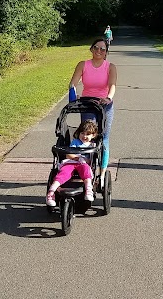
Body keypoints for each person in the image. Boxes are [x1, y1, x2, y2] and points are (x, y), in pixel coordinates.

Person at [69, 39, 117, 180]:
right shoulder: (83, 65)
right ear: (91, 49)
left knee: (103, 137)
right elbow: (73, 83)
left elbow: (112, 85)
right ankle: (86, 169)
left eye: (102, 49)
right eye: (96, 47)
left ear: (106, 52)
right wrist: (73, 94)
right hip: (88, 104)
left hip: (104, 105)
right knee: (87, 136)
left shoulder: (110, 67)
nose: (99, 51)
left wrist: (108, 97)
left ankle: (102, 174)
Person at [46, 119, 98, 206]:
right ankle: (51, 193)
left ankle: (88, 190)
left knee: (86, 170)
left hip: (83, 165)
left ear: (93, 135)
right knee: (63, 173)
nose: (84, 136)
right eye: (82, 133)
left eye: (88, 134)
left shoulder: (93, 146)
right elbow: (69, 155)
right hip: (71, 162)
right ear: (79, 133)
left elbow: (91, 160)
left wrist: (85, 161)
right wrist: (78, 158)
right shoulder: (75, 142)